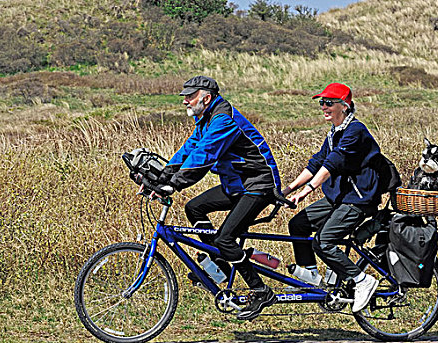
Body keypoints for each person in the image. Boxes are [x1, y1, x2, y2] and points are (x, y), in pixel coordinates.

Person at [155, 75, 281, 321]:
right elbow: (189, 150)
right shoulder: (205, 119)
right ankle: (220, 264)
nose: (185, 101)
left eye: (190, 97)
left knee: (225, 238)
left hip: (258, 185)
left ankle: (260, 289)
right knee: (195, 208)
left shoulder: (223, 119)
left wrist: (175, 184)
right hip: (237, 185)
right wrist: (162, 177)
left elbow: (205, 154)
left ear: (207, 98)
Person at [281, 82, 381, 313]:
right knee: (298, 224)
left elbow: (332, 164)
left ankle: (362, 280)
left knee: (323, 242)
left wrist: (307, 191)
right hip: (339, 197)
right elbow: (317, 162)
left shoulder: (355, 131)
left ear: (344, 106)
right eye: (321, 103)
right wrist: (287, 189)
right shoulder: (335, 132)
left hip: (358, 199)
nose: (324, 107)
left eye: (329, 103)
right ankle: (311, 277)